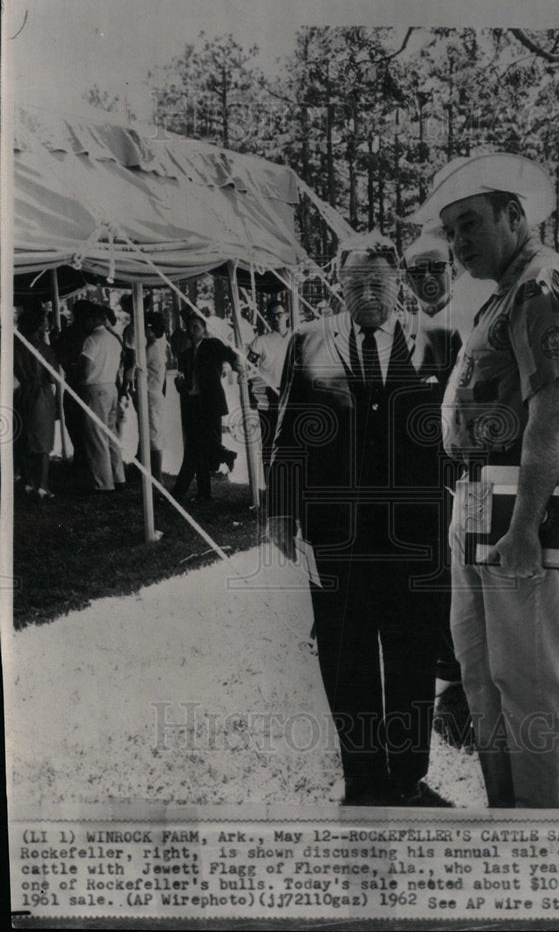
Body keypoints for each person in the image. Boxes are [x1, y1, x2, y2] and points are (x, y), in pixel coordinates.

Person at [412, 152, 559, 809]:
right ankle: (509, 820)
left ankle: (542, 837)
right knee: (482, 674)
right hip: (478, 497)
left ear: (515, 217)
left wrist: (524, 526)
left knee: (529, 680)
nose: (460, 243)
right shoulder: (507, 290)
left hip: (520, 506)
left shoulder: (541, 287)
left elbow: (555, 410)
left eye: (471, 224)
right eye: (452, 231)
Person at [267, 233, 454, 808]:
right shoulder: (306, 341)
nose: (367, 292)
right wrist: (280, 511)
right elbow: (287, 433)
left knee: (412, 655)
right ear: (338, 286)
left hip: (416, 537)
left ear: (398, 282)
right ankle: (364, 778)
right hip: (336, 537)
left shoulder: (442, 342)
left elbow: (460, 439)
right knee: (345, 656)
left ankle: (408, 773)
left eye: (378, 281)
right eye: (355, 283)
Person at [402, 231, 466, 727]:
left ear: (453, 270)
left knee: (456, 575)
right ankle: (446, 666)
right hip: (414, 481)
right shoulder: (406, 330)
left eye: (435, 268)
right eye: (416, 271)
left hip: (457, 478)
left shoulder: (465, 328)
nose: (427, 278)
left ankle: (463, 672)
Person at [172, 314, 240, 503]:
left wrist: (237, 368)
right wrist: (179, 384)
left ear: (204, 329)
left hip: (210, 403)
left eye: (196, 327)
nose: (192, 331)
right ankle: (205, 491)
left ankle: (179, 493)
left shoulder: (212, 345)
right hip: (193, 403)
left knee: (194, 449)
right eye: (189, 328)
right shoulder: (185, 355)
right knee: (198, 449)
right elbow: (183, 382)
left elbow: (231, 355)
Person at [14, 305, 60, 500]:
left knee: (23, 438)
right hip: (40, 395)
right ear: (39, 325)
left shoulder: (14, 345)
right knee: (42, 442)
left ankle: (27, 482)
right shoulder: (44, 349)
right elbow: (53, 376)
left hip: (20, 393)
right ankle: (42, 485)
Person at [80, 304, 126, 493]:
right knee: (112, 434)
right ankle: (118, 477)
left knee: (96, 437)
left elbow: (87, 367)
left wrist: (81, 378)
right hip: (111, 387)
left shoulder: (92, 339)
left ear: (93, 320)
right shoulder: (114, 339)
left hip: (96, 388)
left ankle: (103, 484)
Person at [248, 300, 292, 466]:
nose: (276, 318)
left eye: (279, 314)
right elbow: (248, 368)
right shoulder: (260, 342)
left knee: (290, 438)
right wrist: (250, 393)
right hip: (267, 396)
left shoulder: (296, 338)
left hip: (290, 393)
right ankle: (269, 484)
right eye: (272, 316)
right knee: (269, 440)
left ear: (286, 315)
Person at [52, 299, 92, 471]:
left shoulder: (81, 333)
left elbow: (58, 355)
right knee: (79, 421)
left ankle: (82, 456)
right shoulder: (88, 333)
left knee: (75, 421)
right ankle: (84, 456)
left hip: (78, 381)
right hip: (83, 381)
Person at [144, 312, 168, 483]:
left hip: (151, 394)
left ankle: (157, 477)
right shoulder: (158, 345)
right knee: (152, 434)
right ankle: (153, 474)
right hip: (154, 392)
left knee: (153, 436)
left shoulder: (151, 348)